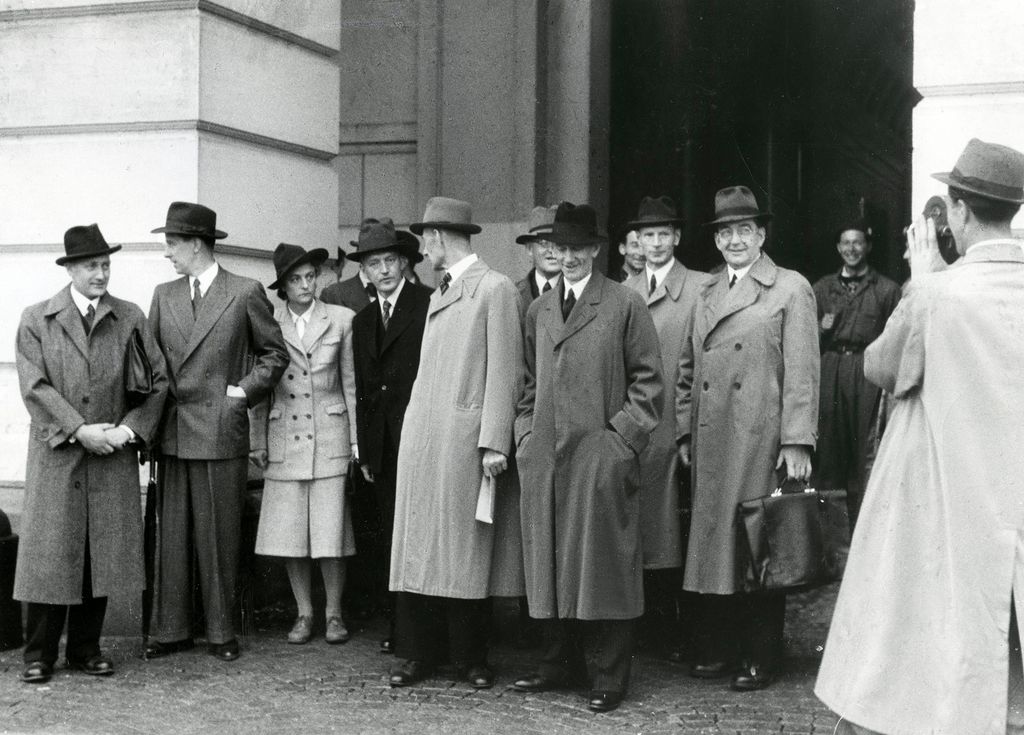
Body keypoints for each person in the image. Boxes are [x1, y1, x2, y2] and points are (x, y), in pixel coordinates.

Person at [816, 138, 1024, 735]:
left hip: (943, 494)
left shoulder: (936, 295)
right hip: (1011, 498)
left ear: (957, 212)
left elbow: (879, 366)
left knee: (921, 637)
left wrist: (923, 280)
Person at [513, 202, 663, 713]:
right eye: (562, 248)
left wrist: (619, 442)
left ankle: (608, 674)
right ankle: (558, 664)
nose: (570, 257)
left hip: (599, 457)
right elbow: (530, 384)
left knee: (603, 567)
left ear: (597, 249)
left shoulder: (623, 304)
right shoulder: (539, 309)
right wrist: (525, 437)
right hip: (547, 460)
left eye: (580, 248)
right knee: (552, 564)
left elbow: (648, 384)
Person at [676, 185, 819, 691]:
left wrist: (797, 441)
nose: (735, 240)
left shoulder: (789, 288)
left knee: (759, 544)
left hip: (760, 435)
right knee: (716, 546)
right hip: (713, 437)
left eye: (744, 230)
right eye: (725, 232)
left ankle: (761, 654)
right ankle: (719, 648)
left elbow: (803, 371)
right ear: (716, 241)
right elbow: (687, 371)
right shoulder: (706, 293)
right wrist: (682, 433)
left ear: (761, 235)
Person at [14, 224, 168, 683]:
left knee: (99, 555)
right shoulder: (37, 319)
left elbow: (157, 383)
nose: (101, 274)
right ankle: (38, 654)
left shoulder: (130, 317)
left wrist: (128, 431)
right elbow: (34, 386)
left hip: (111, 453)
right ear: (71, 270)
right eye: (91, 266)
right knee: (50, 555)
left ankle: (86, 648)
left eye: (105, 265)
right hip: (59, 455)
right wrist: (80, 430)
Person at [388, 197, 524, 690]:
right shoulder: (442, 290)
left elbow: (505, 371)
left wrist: (494, 442)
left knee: (465, 553)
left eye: (425, 239)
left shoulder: (494, 288)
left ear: (441, 237)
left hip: (464, 442)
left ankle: (471, 657)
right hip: (426, 439)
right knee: (422, 547)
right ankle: (419, 654)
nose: (422, 250)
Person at [146, 202, 287, 661]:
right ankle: (172, 630)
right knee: (173, 539)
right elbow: (151, 369)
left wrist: (242, 394)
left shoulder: (244, 291)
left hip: (220, 430)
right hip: (172, 430)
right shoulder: (163, 295)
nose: (167, 252)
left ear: (197, 244)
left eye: (172, 243)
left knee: (219, 536)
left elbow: (274, 355)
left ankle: (222, 632)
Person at [249, 243, 358, 645]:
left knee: (331, 535)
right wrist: (256, 441)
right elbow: (260, 386)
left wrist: (356, 442)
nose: (305, 285)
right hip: (285, 438)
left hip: (330, 437)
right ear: (283, 287)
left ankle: (333, 614)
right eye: (296, 280)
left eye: (311, 276)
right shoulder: (269, 323)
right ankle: (304, 613)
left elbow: (350, 385)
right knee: (291, 535)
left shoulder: (342, 320)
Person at [622, 196, 709, 661]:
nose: (654, 243)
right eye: (646, 235)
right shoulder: (625, 288)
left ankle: (684, 634)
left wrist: (687, 431)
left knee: (682, 529)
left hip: (680, 431)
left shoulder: (700, 287)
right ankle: (652, 630)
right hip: (638, 431)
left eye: (662, 234)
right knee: (644, 533)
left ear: (676, 237)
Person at [349, 218, 432, 655]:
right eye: (373, 264)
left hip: (418, 438)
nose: (382, 270)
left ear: (403, 262)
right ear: (364, 270)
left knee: (420, 535)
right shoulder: (362, 321)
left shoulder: (427, 304)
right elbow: (362, 387)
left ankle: (421, 631)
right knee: (389, 539)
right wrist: (364, 448)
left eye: (388, 261)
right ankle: (399, 626)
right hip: (381, 446)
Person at [811, 223, 900, 527]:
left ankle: (866, 531)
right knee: (829, 450)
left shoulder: (886, 290)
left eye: (857, 243)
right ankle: (831, 537)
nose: (851, 249)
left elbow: (895, 341)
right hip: (831, 367)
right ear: (838, 248)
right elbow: (809, 339)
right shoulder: (822, 288)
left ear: (868, 247)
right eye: (845, 243)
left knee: (866, 450)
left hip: (868, 371)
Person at [515, 205, 562, 314]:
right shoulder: (514, 293)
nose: (551, 250)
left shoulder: (576, 291)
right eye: (544, 243)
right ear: (529, 249)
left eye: (558, 243)